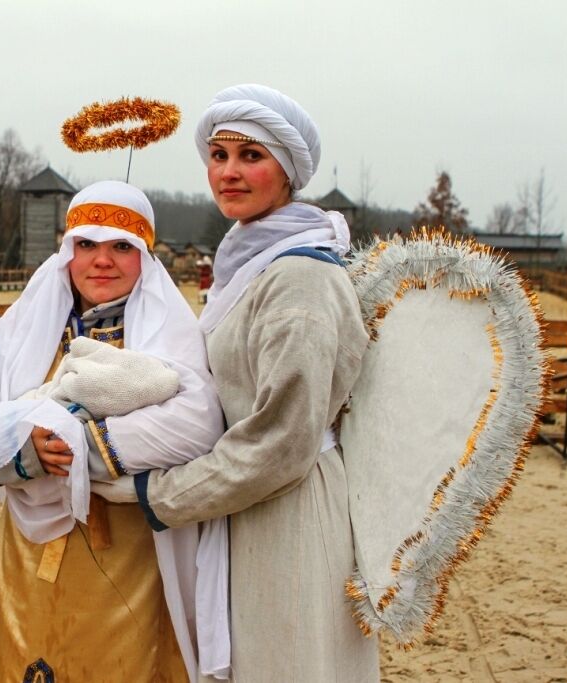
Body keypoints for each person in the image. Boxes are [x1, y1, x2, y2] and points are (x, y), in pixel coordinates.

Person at [94, 84, 381, 681]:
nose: (228, 172)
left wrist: (161, 494)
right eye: (218, 155)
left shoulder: (299, 275)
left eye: (251, 156)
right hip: (242, 501)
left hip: (287, 510)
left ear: (289, 171)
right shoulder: (247, 260)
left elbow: (283, 439)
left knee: (288, 659)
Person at [0, 181, 227, 682]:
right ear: (67, 251)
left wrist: (80, 448)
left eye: (122, 246)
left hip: (132, 553)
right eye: (87, 245)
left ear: (144, 254)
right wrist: (26, 450)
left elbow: (200, 423)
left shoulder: (172, 333)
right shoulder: (30, 328)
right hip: (28, 554)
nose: (103, 260)